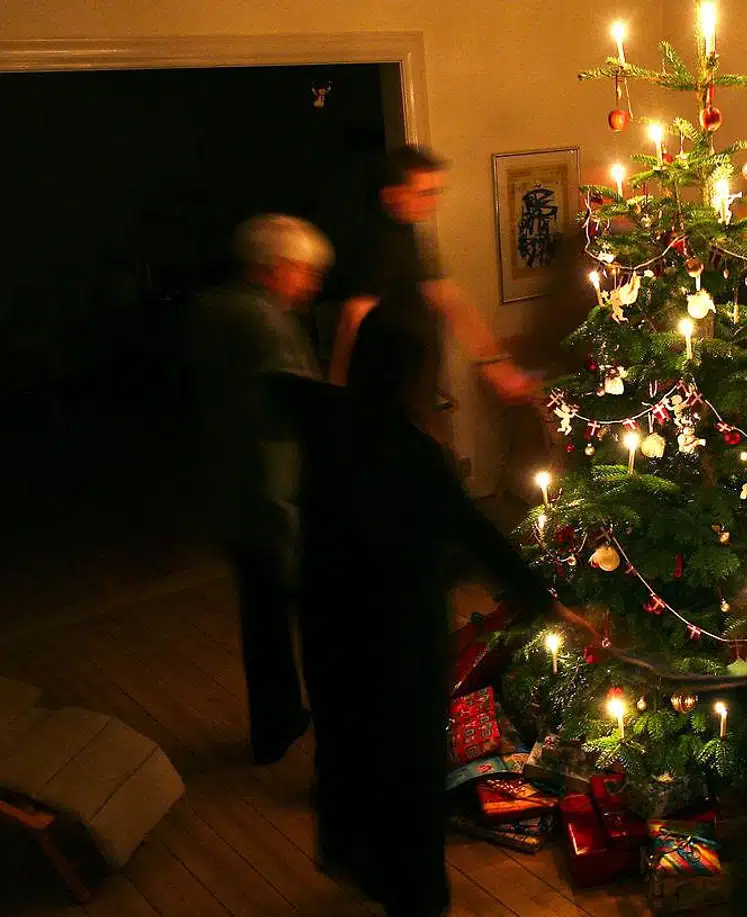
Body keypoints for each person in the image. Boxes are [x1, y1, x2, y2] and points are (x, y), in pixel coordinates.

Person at [271, 293, 589, 917]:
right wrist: (547, 604)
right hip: (398, 635)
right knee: (411, 764)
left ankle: (354, 854)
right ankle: (415, 895)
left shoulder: (322, 416)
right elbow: (478, 534)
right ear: (413, 376)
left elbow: (275, 389)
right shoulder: (413, 456)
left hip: (330, 623)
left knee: (347, 742)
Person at [191, 213, 332, 765]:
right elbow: (303, 405)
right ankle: (330, 728)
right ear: (274, 268)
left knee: (262, 615)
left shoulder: (212, 309)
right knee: (315, 611)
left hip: (232, 483)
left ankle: (276, 723)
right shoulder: (264, 322)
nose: (311, 284)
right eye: (305, 271)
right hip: (274, 488)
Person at [328, 145, 536, 408]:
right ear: (392, 194)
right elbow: (352, 318)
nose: (432, 202)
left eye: (436, 192)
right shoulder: (378, 243)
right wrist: (335, 395)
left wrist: (494, 364)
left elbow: (447, 298)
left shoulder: (407, 233)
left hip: (414, 381)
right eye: (424, 193)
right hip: (386, 390)